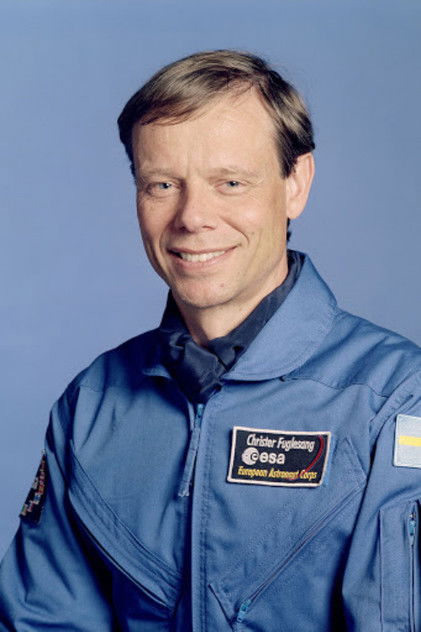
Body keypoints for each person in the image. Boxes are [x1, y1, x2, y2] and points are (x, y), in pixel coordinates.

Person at [0, 49, 420, 632]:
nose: (192, 217)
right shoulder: (93, 403)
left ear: (296, 183)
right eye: (162, 184)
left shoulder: (395, 403)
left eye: (230, 182)